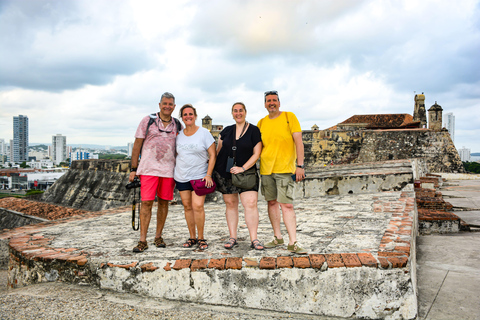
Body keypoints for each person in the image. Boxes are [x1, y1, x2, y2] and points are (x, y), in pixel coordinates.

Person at [129, 92, 181, 253]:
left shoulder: (177, 124)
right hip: (148, 169)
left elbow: (182, 148)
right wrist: (133, 168)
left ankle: (158, 236)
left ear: (174, 106)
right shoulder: (148, 120)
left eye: (170, 104)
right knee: (146, 203)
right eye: (165, 103)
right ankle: (142, 240)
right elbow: (137, 144)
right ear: (159, 105)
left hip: (168, 170)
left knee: (164, 202)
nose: (167, 106)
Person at [257, 90, 307, 254]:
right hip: (266, 169)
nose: (271, 103)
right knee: (271, 203)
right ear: (265, 104)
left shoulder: (289, 117)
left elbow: (298, 142)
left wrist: (300, 166)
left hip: (285, 169)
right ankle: (278, 237)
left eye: (274, 100)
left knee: (287, 205)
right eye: (268, 101)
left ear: (279, 102)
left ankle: (293, 241)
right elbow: (257, 147)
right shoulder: (261, 123)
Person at [213, 102, 264, 250]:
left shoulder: (254, 130)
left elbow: (257, 153)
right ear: (232, 113)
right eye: (235, 111)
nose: (238, 113)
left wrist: (243, 168)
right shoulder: (227, 131)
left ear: (245, 112)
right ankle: (232, 237)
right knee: (231, 205)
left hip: (246, 172)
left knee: (251, 204)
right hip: (226, 172)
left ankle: (254, 239)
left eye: (240, 110)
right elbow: (218, 151)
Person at [174, 104, 216, 250]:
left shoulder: (204, 133)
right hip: (182, 175)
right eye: (185, 114)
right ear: (182, 117)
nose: (188, 117)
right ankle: (192, 237)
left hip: (199, 175)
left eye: (190, 114)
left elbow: (213, 154)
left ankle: (201, 237)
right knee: (187, 207)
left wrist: (208, 174)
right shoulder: (178, 135)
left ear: (195, 116)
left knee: (197, 206)